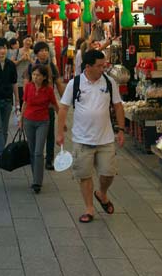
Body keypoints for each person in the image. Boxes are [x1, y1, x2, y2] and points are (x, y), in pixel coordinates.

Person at [56, 49, 126, 224]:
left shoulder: (109, 82)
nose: (103, 69)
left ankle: (102, 193)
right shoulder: (75, 83)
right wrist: (60, 133)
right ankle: (89, 208)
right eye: (99, 66)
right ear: (88, 66)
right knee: (84, 175)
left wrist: (121, 129)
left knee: (108, 173)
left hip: (106, 138)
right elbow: (63, 107)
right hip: (82, 138)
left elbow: (118, 106)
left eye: (104, 65)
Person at [19, 64, 59, 193]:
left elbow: (55, 104)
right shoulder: (29, 87)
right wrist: (20, 119)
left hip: (43, 122)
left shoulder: (48, 90)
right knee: (32, 151)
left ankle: (37, 182)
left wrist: (62, 121)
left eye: (38, 75)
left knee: (38, 152)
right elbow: (25, 103)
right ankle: (35, 176)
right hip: (28, 121)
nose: (35, 77)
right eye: (34, 75)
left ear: (44, 77)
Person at [30, 41, 65, 170]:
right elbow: (27, 84)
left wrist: (64, 101)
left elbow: (59, 83)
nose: (44, 53)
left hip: (49, 105)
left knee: (50, 134)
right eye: (41, 50)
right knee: (35, 134)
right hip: (34, 106)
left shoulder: (52, 66)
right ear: (36, 53)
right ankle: (35, 156)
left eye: (46, 50)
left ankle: (49, 160)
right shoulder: (32, 66)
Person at [15, 37, 33, 107]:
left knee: (29, 102)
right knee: (21, 101)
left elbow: (37, 65)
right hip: (19, 81)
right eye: (26, 40)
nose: (28, 42)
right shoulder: (17, 51)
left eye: (30, 41)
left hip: (31, 81)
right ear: (23, 41)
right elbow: (12, 64)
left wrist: (29, 59)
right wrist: (20, 59)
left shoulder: (34, 52)